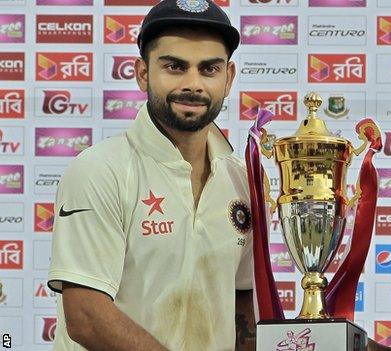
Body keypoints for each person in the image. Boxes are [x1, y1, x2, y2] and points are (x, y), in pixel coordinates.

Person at [46, 0, 256, 350]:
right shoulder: (100, 169)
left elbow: (243, 305)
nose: (193, 84)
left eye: (209, 69)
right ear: (142, 73)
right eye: (175, 67)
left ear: (228, 77)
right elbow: (85, 314)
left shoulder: (243, 181)